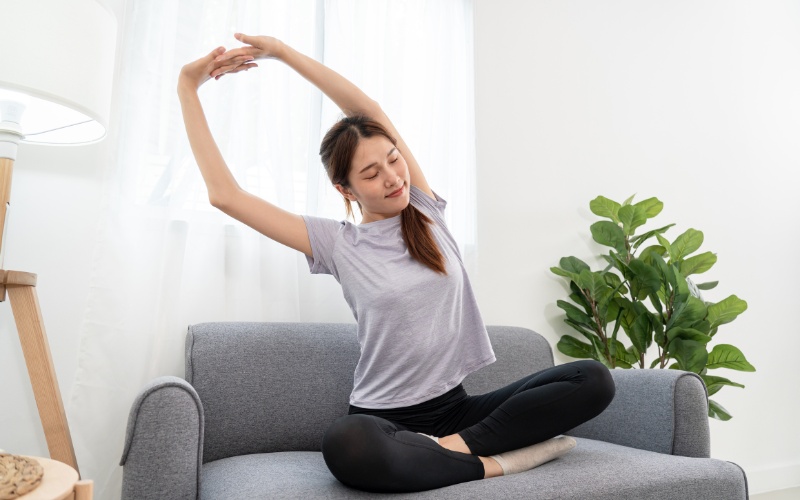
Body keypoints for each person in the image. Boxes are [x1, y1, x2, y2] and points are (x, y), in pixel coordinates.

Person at [177, 32, 616, 494]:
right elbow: (224, 195)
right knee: (346, 444)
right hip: (383, 420)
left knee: (591, 379)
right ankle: (492, 463)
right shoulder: (337, 243)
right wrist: (188, 86)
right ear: (345, 190)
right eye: (371, 173)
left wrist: (284, 54)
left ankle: (448, 450)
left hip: (456, 411)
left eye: (393, 160)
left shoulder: (424, 210)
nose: (392, 178)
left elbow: (368, 110)